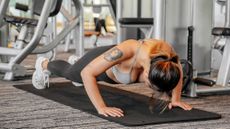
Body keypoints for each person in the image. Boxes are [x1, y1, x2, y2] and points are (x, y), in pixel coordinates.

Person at [32, 39, 192, 117]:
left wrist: (175, 99)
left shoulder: (166, 57)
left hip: (116, 70)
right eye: (151, 85)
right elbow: (87, 73)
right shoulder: (128, 50)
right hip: (104, 66)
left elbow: (176, 69)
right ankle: (44, 64)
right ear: (146, 73)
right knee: (73, 73)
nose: (150, 89)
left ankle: (79, 61)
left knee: (83, 72)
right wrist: (101, 107)